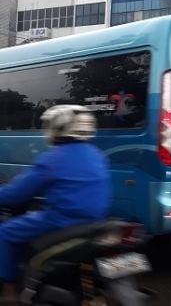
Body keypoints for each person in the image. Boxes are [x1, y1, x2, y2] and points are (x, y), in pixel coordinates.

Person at [0, 105, 111, 303]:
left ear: (59, 128)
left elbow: (16, 194)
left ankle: (9, 292)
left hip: (60, 220)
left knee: (5, 233)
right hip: (95, 221)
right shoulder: (95, 154)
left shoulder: (54, 158)